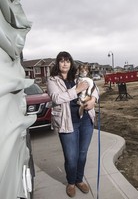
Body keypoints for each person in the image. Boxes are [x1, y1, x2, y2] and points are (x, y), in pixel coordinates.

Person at [47, 51, 99, 197]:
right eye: (62, 61)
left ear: (71, 63)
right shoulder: (53, 80)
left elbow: (95, 88)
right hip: (67, 123)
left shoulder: (77, 78)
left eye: (68, 61)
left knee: (82, 154)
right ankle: (70, 182)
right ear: (58, 63)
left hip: (85, 121)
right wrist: (76, 90)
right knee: (71, 157)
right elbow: (57, 98)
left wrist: (93, 100)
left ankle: (79, 179)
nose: (65, 63)